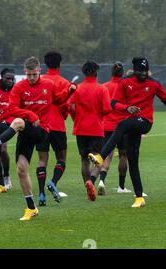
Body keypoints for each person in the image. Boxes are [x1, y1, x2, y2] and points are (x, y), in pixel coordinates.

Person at [0, 57, 75, 220]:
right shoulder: (19, 87)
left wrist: (69, 92)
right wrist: (30, 114)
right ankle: (31, 208)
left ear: (39, 71)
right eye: (29, 74)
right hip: (25, 130)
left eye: (34, 74)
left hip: (42, 130)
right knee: (21, 170)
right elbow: (12, 108)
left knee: (17, 122)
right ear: (25, 72)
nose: (31, 78)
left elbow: (58, 100)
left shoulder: (48, 85)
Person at [89, 57, 166, 208]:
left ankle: (101, 157)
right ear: (134, 70)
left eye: (145, 71)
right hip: (132, 124)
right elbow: (113, 103)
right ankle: (139, 198)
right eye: (140, 71)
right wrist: (127, 108)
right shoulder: (125, 82)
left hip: (145, 122)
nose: (143, 74)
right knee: (132, 160)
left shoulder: (154, 84)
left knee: (122, 125)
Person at [68, 61, 112, 201]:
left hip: (81, 128)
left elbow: (69, 105)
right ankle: (91, 183)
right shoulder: (101, 89)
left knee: (84, 160)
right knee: (98, 159)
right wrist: (99, 115)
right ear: (96, 73)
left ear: (83, 72)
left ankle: (88, 189)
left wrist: (76, 117)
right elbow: (107, 109)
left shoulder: (78, 88)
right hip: (96, 128)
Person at [37, 51, 71, 206]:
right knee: (61, 159)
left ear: (45, 64)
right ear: (59, 64)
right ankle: (53, 182)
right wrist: (63, 115)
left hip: (42, 125)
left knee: (42, 160)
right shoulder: (64, 82)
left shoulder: (40, 80)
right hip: (57, 125)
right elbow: (66, 105)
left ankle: (42, 194)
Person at [98, 62, 130, 195]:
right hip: (122, 126)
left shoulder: (104, 86)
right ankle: (121, 187)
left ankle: (101, 182)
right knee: (123, 155)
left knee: (106, 155)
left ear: (111, 73)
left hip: (107, 126)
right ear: (122, 73)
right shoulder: (126, 87)